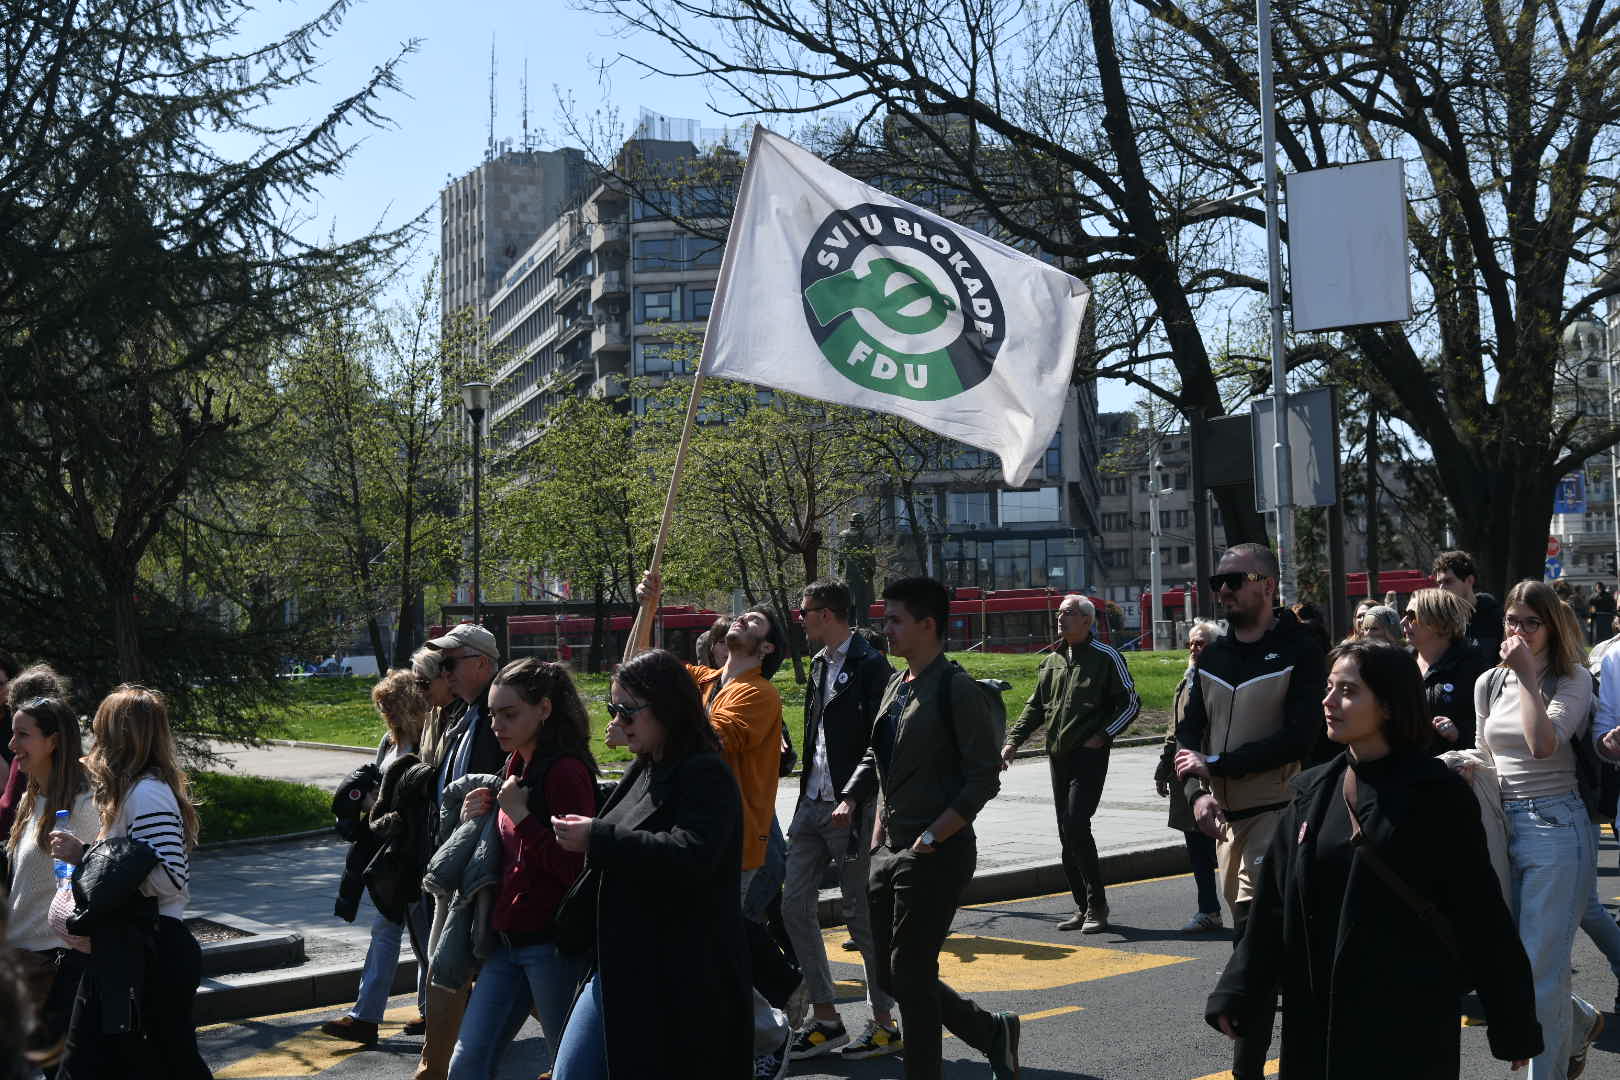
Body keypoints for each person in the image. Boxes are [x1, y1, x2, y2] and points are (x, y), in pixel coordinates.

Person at [1207, 641, 1542, 1077]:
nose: (1328, 701)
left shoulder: (1436, 795)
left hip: (1404, 1026)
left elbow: (1479, 911)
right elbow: (1273, 906)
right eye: (1329, 688)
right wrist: (1239, 989)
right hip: (1317, 1023)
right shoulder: (1313, 793)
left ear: (1387, 705)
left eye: (1347, 691)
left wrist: (1511, 1019)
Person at [835, 577, 1019, 1080]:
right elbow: (880, 755)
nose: (884, 628)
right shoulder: (899, 684)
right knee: (895, 976)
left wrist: (934, 835)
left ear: (927, 625)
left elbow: (983, 777)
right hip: (889, 847)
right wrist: (869, 821)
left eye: (894, 619)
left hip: (937, 851)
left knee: (912, 976)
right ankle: (988, 1032)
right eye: (885, 618)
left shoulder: (956, 688)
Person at [549, 649, 752, 1080]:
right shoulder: (646, 765)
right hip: (621, 964)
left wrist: (597, 836)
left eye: (627, 712)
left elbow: (690, 855)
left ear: (666, 708)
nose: (618, 723)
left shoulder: (704, 773)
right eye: (612, 710)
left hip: (677, 977)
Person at [1174, 542, 1326, 1080]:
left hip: (1279, 814)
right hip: (1225, 823)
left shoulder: (1299, 648)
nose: (1223, 591)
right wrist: (1198, 793)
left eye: (1233, 580)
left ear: (1265, 582)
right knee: (1260, 953)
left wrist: (1221, 763)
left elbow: (1301, 736)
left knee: (1255, 950)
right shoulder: (1212, 655)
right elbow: (1187, 736)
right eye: (1217, 582)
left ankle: (1251, 1071)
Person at [635, 570, 792, 1078]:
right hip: (696, 836)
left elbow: (710, 739)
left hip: (736, 844)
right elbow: (638, 671)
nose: (741, 618)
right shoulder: (706, 681)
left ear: (764, 647)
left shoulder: (760, 695)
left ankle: (770, 1030)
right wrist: (649, 607)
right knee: (700, 944)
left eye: (754, 621)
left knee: (708, 947)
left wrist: (653, 724)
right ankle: (758, 1024)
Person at [49, 684, 211, 1080]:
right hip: (123, 949)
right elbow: (133, 865)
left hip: (150, 950)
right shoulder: (134, 793)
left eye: (101, 730)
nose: (95, 740)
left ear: (121, 737)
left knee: (162, 1062)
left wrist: (86, 856)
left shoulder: (148, 794)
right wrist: (89, 852)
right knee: (94, 1062)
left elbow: (170, 878)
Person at [446, 659, 598, 1079]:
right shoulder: (515, 765)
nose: (497, 724)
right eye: (493, 713)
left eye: (509, 714)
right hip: (506, 941)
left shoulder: (566, 771)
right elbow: (507, 849)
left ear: (544, 710)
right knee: (467, 1062)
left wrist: (522, 817)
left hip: (551, 946)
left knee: (570, 1067)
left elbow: (575, 869)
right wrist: (479, 813)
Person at [1476, 580, 1599, 1079]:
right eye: (1512, 620)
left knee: (1538, 970)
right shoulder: (1489, 682)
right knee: (1514, 963)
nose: (1520, 631)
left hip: (1556, 825)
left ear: (1552, 626)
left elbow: (1542, 745)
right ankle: (1579, 1018)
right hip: (1502, 822)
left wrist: (1528, 676)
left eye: (1532, 622)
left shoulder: (1573, 679)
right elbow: (1488, 755)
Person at [783, 579, 898, 1060]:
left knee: (860, 915)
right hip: (811, 802)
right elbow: (820, 736)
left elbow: (881, 740)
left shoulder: (872, 666)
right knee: (792, 905)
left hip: (852, 806)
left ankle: (884, 1023)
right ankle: (828, 1019)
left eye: (804, 611)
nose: (801, 618)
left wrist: (857, 798)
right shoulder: (816, 665)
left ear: (827, 613)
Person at [1002, 594, 1140, 933]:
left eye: (1067, 614)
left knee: (1077, 823)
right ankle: (1081, 906)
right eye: (1059, 614)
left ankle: (1098, 905)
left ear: (1086, 621)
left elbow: (1131, 702)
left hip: (1088, 755)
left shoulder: (1106, 657)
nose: (1059, 619)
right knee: (1066, 832)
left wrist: (1103, 735)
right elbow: (1035, 707)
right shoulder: (1051, 661)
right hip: (1058, 756)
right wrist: (1012, 742)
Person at [322, 670, 433, 1045]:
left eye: (389, 703)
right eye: (380, 704)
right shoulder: (389, 742)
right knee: (389, 930)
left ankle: (429, 1010)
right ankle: (368, 1016)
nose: (383, 710)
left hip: (413, 850)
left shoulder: (425, 741)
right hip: (387, 849)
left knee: (422, 935)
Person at [415, 624, 506, 1080]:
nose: (443, 672)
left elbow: (509, 785)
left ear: (482, 665)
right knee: (451, 963)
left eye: (450, 663)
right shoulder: (464, 716)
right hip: (458, 860)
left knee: (451, 963)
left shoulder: (496, 716)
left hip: (477, 866)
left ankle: (436, 1068)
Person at [6, 693, 96, 1075]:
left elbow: (93, 883)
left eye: (22, 735)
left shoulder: (84, 807)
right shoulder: (32, 798)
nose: (12, 746)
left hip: (56, 968)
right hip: (22, 962)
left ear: (53, 742)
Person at [1154, 621, 1226, 932]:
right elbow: (1175, 732)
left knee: (1228, 848)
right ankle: (1208, 910)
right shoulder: (1185, 682)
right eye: (1191, 645)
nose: (1194, 650)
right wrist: (1163, 768)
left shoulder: (1222, 683)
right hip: (1187, 778)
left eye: (1201, 644)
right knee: (1197, 849)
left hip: (1217, 773)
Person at [1403, 587, 1489, 751]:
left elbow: (1489, 725)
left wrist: (1459, 733)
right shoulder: (1401, 662)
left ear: (1438, 623)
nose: (1403, 621)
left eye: (1411, 616)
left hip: (1453, 770)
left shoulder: (1471, 666)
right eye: (1404, 614)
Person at [1432, 549, 1504, 655]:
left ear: (1469, 580)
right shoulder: (1441, 622)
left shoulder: (1496, 618)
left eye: (1448, 582)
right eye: (1439, 583)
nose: (1441, 589)